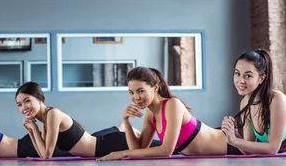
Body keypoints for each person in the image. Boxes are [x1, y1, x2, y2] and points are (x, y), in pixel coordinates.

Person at [97, 67, 243, 161]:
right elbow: (138, 150)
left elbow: (167, 150)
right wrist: (126, 120)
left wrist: (122, 153)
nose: (136, 97)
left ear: (155, 88)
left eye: (141, 91)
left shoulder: (172, 104)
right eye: (131, 92)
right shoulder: (150, 115)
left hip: (234, 144)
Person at [15, 82, 148, 159]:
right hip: (102, 145)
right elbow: (41, 152)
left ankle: (126, 130)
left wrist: (34, 129)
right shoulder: (45, 120)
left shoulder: (52, 114)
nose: (24, 107)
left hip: (108, 146)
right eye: (20, 105)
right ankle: (123, 129)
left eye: (27, 101)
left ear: (39, 99)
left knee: (163, 148)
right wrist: (32, 130)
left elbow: (47, 154)